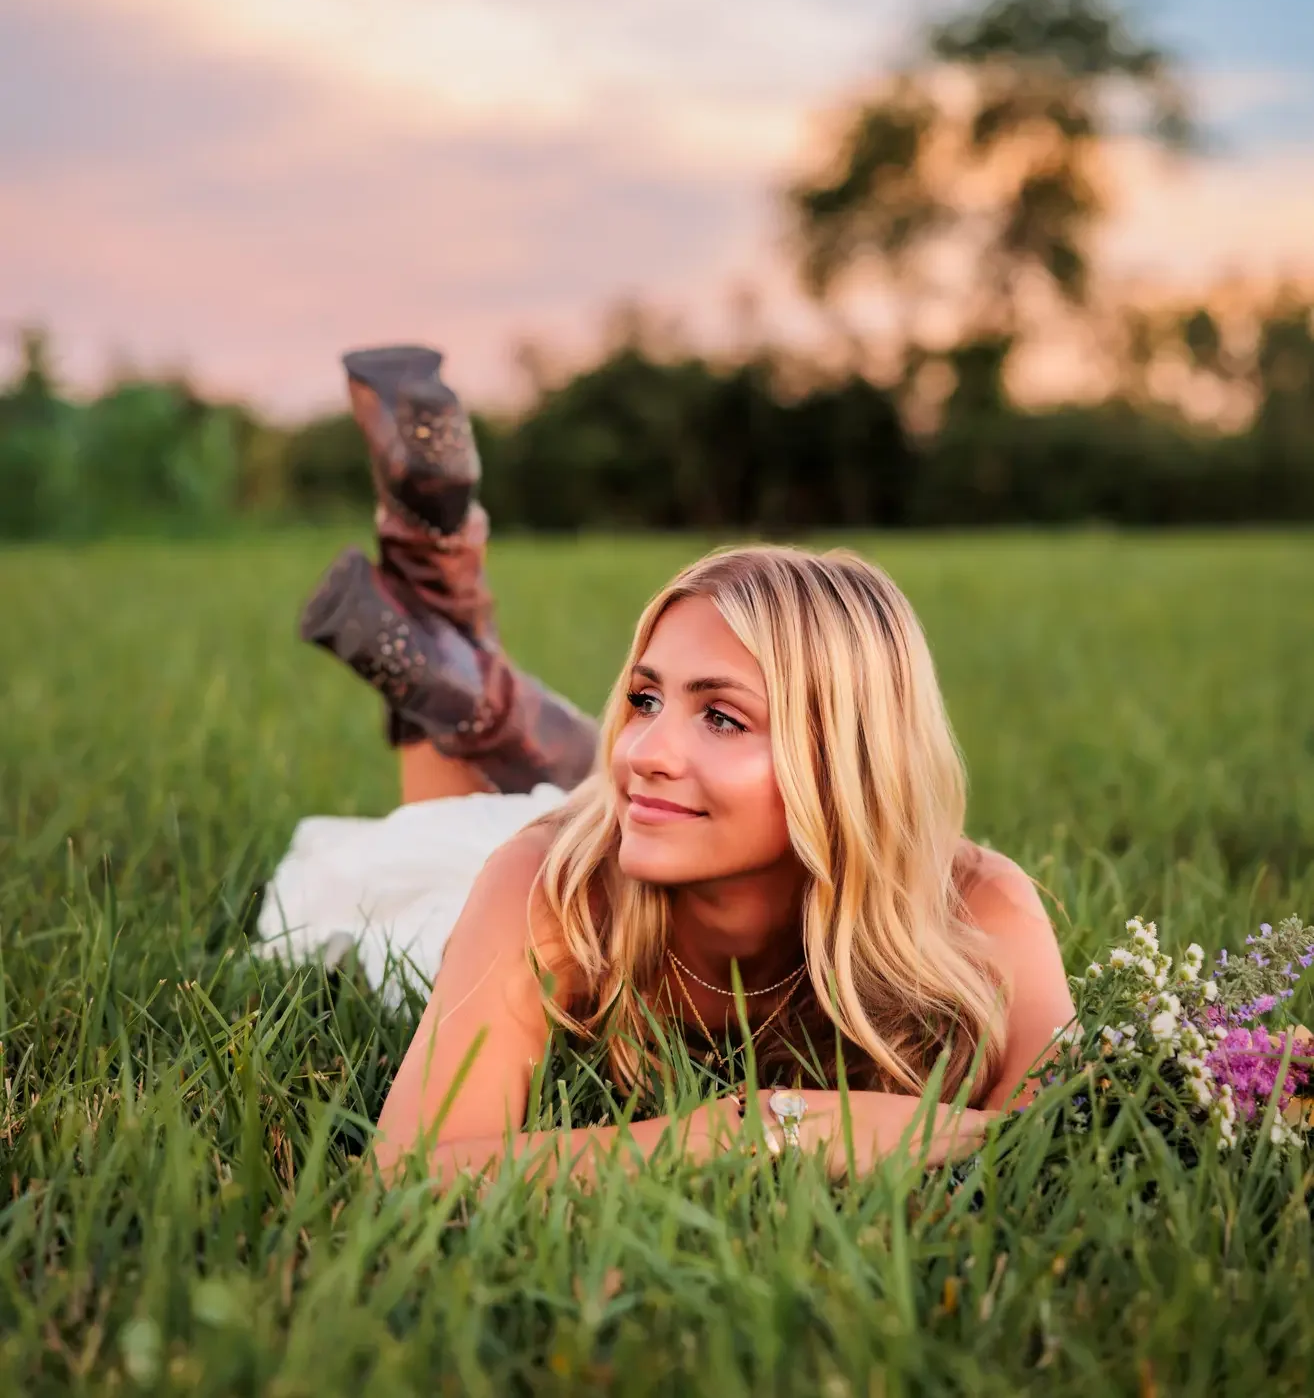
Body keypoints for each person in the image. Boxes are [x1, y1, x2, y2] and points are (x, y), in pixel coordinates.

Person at [261, 346, 1074, 1184]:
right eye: (644, 699)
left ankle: (448, 625)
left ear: (847, 762)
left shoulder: (982, 911)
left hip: (636, 825)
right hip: (511, 875)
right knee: (429, 839)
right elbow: (412, 1171)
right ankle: (446, 616)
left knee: (601, 784)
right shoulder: (547, 887)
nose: (645, 748)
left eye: (722, 716)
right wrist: (749, 1130)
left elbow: (1068, 1132)